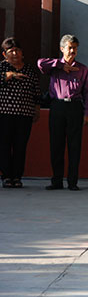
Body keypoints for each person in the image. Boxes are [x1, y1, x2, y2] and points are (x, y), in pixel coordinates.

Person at [37, 34, 88, 191]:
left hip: (75, 107)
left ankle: (73, 181)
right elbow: (40, 63)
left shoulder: (82, 69)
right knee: (56, 144)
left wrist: (87, 112)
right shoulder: (54, 66)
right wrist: (61, 66)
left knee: (74, 146)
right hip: (57, 107)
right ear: (62, 48)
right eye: (69, 47)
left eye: (75, 48)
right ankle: (57, 180)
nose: (72, 50)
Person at [0, 37, 41, 188]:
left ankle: (17, 176)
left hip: (24, 115)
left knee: (20, 146)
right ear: (5, 54)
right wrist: (8, 75)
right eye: (11, 51)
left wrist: (36, 109)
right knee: (4, 145)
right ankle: (6, 176)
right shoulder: (1, 68)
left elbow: (36, 91)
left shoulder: (29, 69)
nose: (15, 54)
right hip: (4, 114)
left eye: (17, 50)